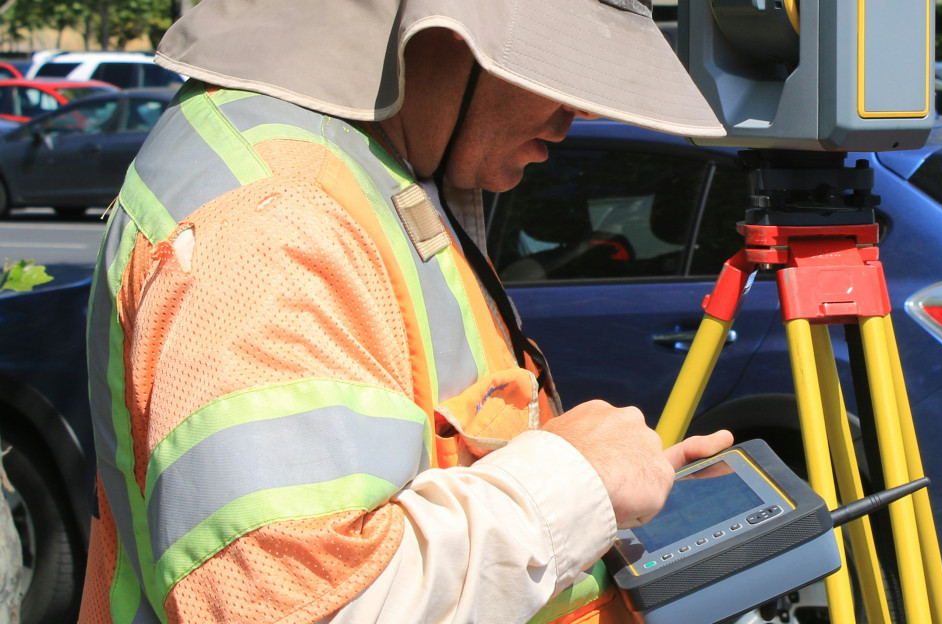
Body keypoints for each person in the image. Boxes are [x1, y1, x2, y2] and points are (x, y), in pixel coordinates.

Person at [79, 1, 733, 622]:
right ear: (447, 32)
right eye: (557, 69)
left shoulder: (357, 168)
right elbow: (299, 605)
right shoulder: (277, 221)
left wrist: (604, 498)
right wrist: (577, 480)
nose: (579, 113)